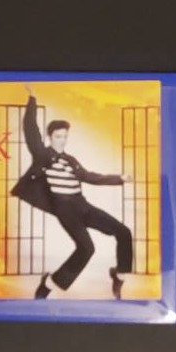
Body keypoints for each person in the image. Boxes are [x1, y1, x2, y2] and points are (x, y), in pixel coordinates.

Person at [11, 85, 133, 299]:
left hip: (82, 205)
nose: (62, 140)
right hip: (65, 209)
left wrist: (119, 179)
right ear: (50, 137)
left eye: (65, 136)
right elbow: (30, 129)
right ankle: (48, 284)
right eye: (58, 136)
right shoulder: (43, 156)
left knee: (123, 232)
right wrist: (32, 99)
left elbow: (90, 177)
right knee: (87, 249)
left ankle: (119, 275)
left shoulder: (71, 160)